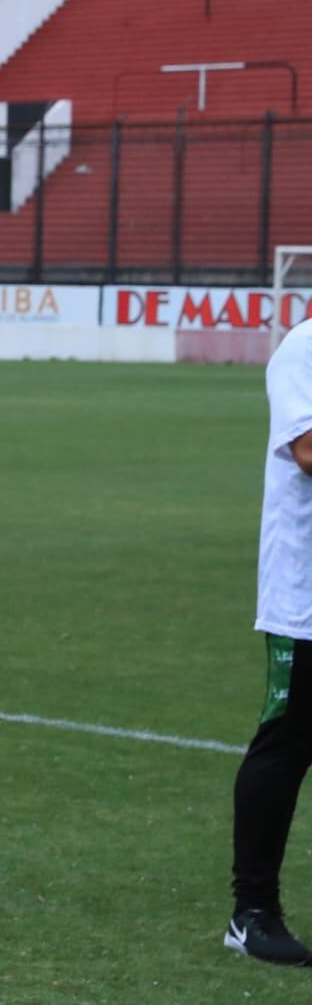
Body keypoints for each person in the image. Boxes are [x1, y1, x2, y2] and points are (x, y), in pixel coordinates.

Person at [229, 316, 312, 966]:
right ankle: (251, 912)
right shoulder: (305, 348)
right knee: (286, 745)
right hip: (304, 599)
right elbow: (308, 449)